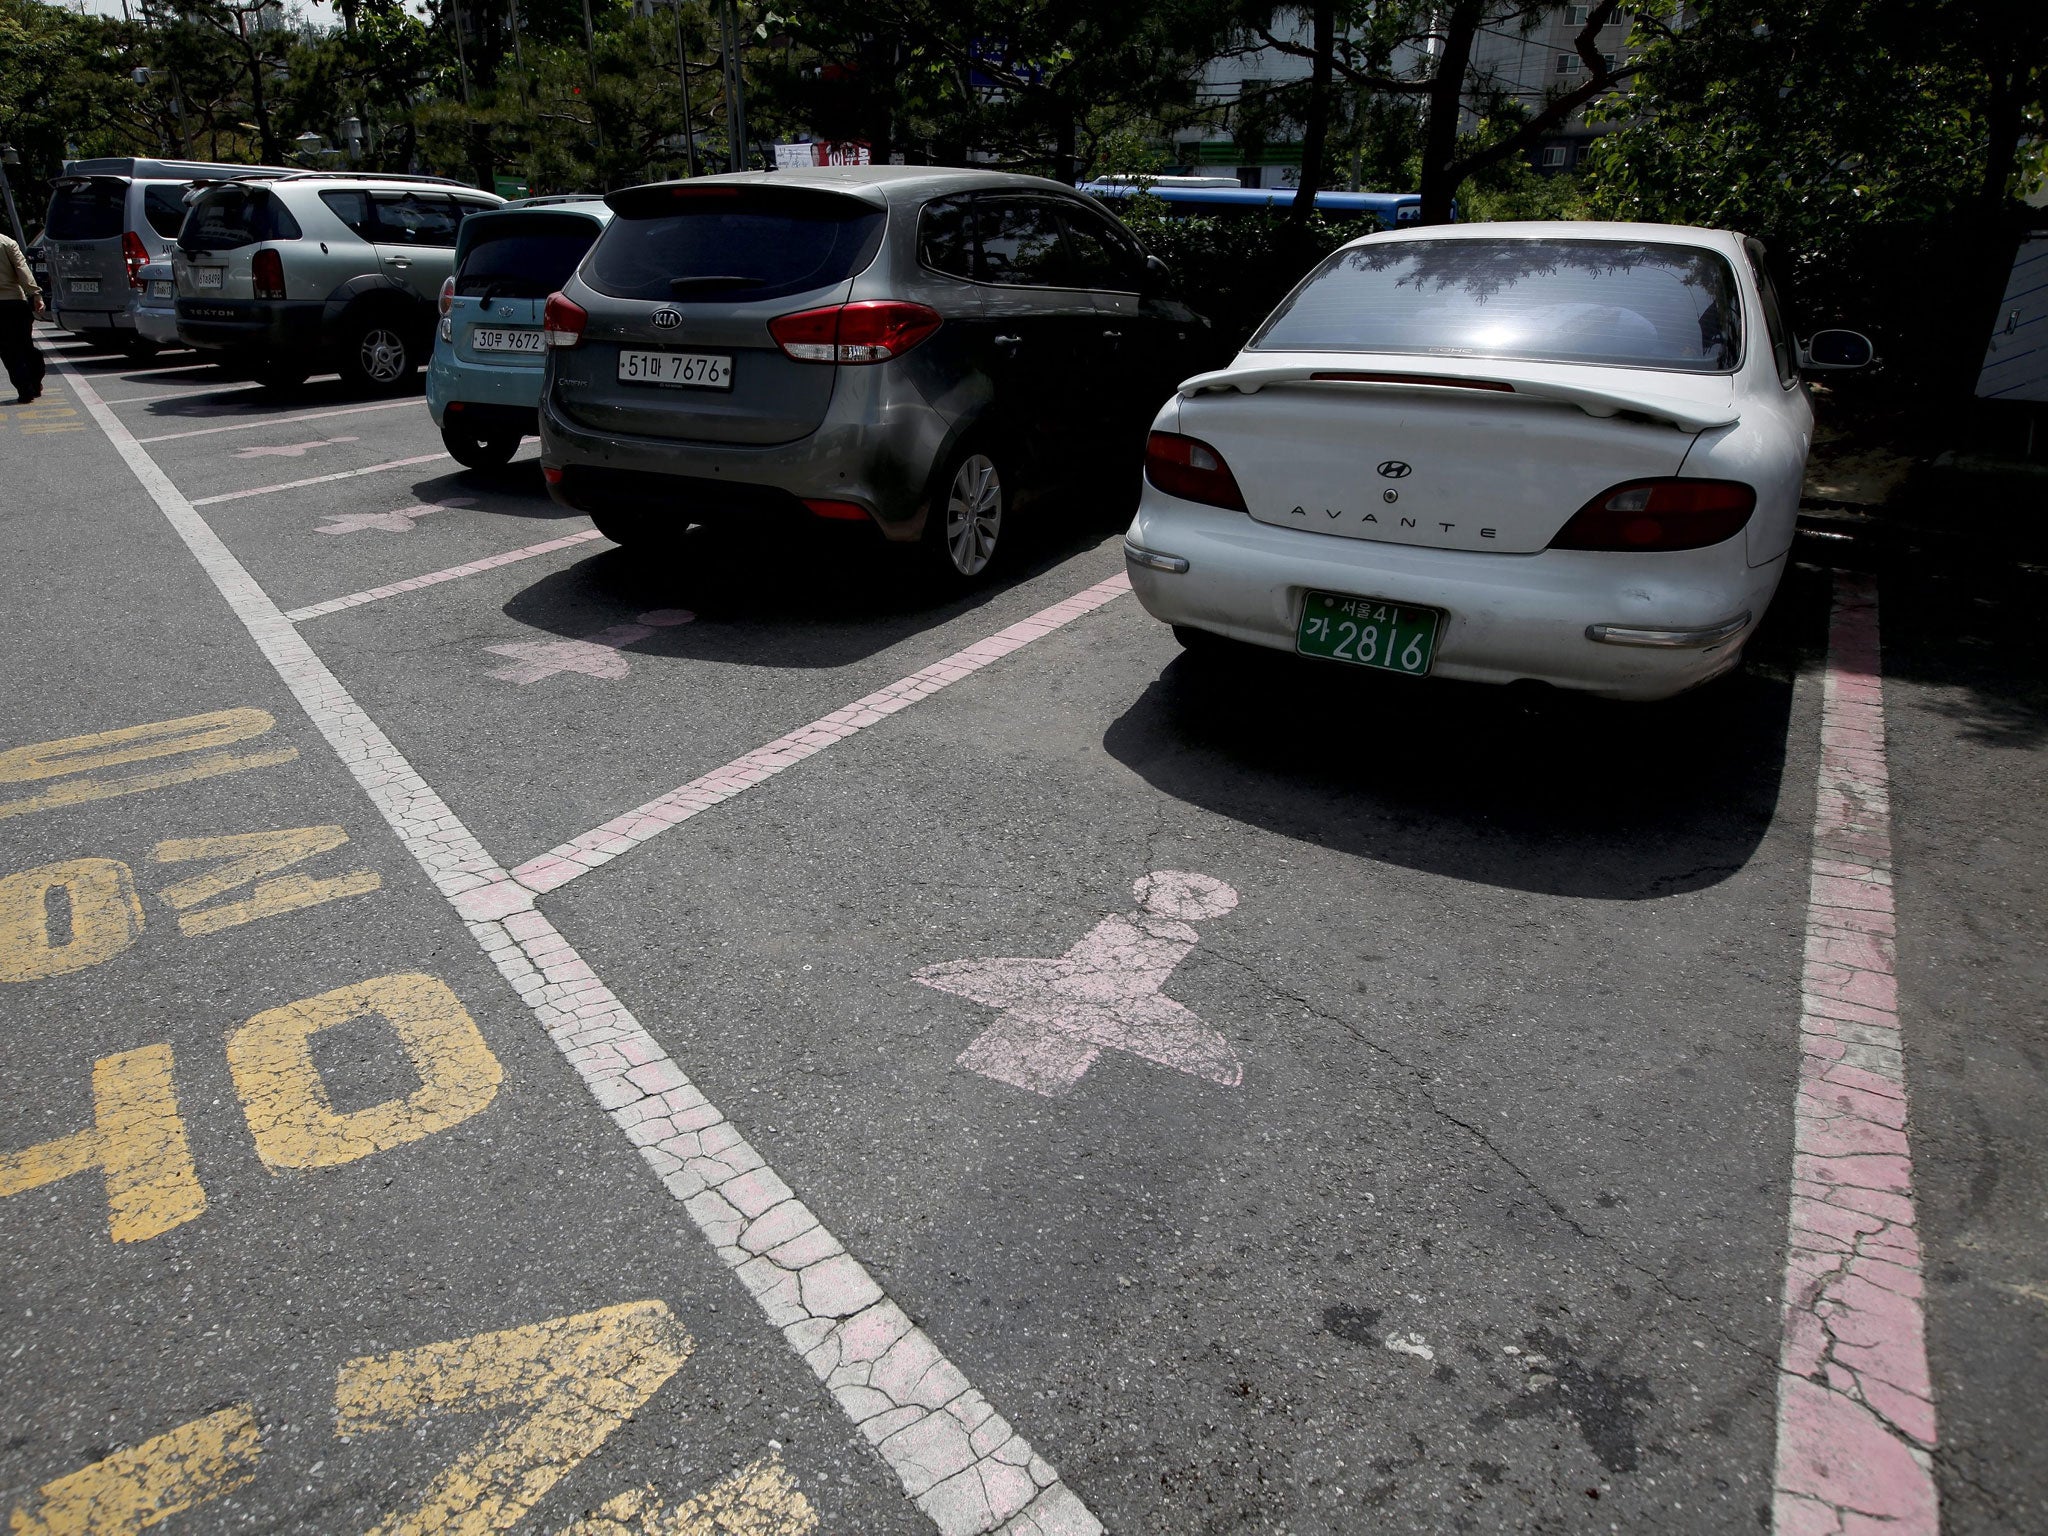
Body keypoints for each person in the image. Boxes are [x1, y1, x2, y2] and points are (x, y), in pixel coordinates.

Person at [1, 229, 48, 404]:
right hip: (14, 302)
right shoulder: (7, 243)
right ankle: (35, 382)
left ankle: (24, 389)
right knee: (25, 345)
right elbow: (22, 269)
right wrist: (35, 294)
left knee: (8, 351)